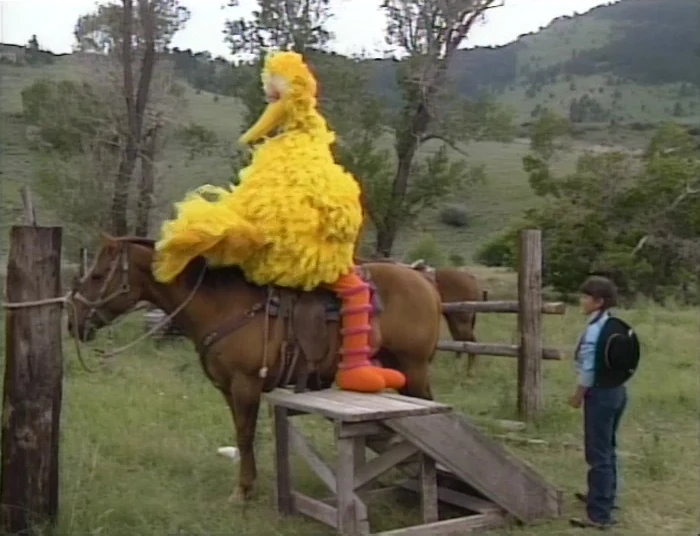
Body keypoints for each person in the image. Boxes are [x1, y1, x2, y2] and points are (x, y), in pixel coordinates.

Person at [152, 51, 406, 394]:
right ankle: (354, 365)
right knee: (356, 290)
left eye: (274, 98)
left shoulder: (279, 154)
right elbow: (339, 212)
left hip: (273, 256)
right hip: (304, 260)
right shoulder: (308, 154)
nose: (270, 106)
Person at [568, 275, 628, 530]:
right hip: (617, 391)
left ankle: (599, 514)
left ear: (599, 301)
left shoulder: (595, 330)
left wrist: (577, 396)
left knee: (597, 453)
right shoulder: (613, 323)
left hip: (600, 394)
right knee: (608, 448)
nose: (581, 301)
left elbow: (589, 369)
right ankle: (605, 496)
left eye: (586, 297)